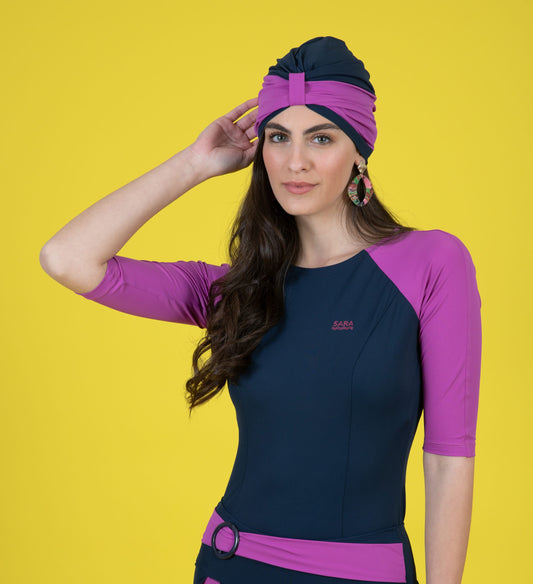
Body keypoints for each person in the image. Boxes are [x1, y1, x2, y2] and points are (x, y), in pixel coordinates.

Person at [40, 36, 482, 584]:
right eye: (278, 137)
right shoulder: (239, 290)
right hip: (232, 563)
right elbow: (67, 259)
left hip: (364, 573)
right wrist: (196, 164)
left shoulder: (431, 264)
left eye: (321, 137)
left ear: (359, 150)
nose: (295, 162)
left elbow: (448, 459)